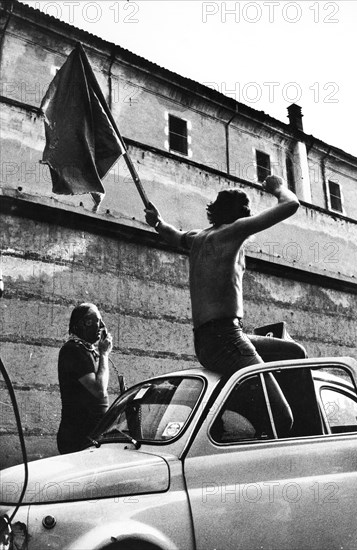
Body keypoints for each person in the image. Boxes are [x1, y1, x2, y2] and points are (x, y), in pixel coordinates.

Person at [145, 175, 300, 375]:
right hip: (227, 338)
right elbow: (291, 204)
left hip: (205, 342)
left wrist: (157, 222)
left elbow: (172, 235)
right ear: (242, 213)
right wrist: (278, 187)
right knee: (277, 407)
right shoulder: (234, 230)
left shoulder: (197, 237)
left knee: (294, 352)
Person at [57, 303, 113, 454]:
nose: (102, 326)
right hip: (78, 436)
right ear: (86, 323)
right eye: (98, 321)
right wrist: (104, 354)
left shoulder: (86, 350)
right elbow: (99, 390)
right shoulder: (73, 350)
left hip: (90, 434)